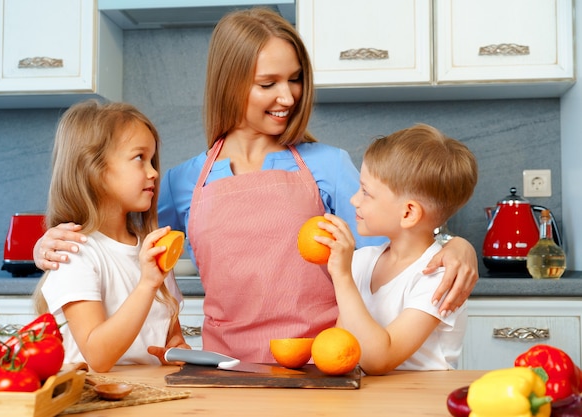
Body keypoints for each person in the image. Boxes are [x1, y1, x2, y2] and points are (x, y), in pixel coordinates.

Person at [33, 8, 478, 363]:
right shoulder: (182, 180)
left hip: (320, 367)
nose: (288, 97)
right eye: (269, 83)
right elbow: (117, 239)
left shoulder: (328, 166)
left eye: (295, 79)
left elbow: (401, 241)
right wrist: (45, 246)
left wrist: (453, 243)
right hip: (221, 369)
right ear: (230, 84)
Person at [32, 100, 189, 372]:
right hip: (94, 401)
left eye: (152, 160)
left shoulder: (152, 248)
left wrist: (177, 349)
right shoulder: (75, 252)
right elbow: (98, 357)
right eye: (139, 158)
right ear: (95, 170)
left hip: (151, 395)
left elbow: (170, 334)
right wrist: (147, 284)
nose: (153, 172)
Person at [318, 124, 478, 375]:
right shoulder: (362, 261)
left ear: (408, 213)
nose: (353, 200)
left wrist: (342, 277)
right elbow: (343, 346)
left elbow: (378, 360)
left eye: (366, 192)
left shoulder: (438, 277)